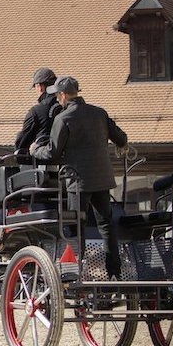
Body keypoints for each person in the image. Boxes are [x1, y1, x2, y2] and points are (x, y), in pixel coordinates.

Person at [32, 76, 129, 279]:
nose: (57, 99)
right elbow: (121, 137)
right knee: (106, 224)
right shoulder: (99, 113)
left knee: (77, 226)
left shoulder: (63, 118)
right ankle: (115, 271)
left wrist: (35, 150)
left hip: (78, 181)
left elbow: (52, 153)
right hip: (102, 179)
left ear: (63, 95)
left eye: (58, 95)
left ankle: (77, 272)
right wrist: (119, 146)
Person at [14, 67, 59, 154]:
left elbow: (22, 142)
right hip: (69, 163)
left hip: (44, 161)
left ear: (40, 87)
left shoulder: (36, 111)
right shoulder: (68, 108)